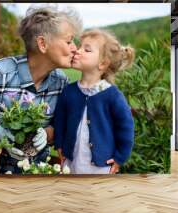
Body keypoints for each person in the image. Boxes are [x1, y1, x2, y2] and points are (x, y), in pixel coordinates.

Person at [0, 6, 82, 174]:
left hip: (38, 169)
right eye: (69, 41)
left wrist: (47, 134)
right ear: (42, 44)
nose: (75, 48)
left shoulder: (61, 82)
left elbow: (60, 124)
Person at [54, 29, 135, 174]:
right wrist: (59, 144)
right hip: (70, 163)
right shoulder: (69, 91)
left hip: (101, 167)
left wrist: (120, 157)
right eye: (80, 47)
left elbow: (126, 127)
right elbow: (60, 121)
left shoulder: (113, 96)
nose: (77, 51)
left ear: (103, 64)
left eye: (87, 49)